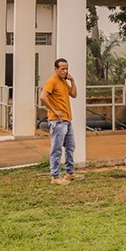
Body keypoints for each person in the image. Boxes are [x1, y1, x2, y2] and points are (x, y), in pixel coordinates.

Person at [39, 57, 78, 185]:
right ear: (56, 69)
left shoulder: (63, 81)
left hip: (67, 119)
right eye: (62, 69)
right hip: (57, 121)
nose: (65, 71)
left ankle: (69, 173)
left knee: (70, 147)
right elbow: (43, 97)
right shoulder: (52, 81)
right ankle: (55, 176)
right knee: (56, 149)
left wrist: (72, 81)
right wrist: (54, 110)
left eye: (67, 69)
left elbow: (73, 94)